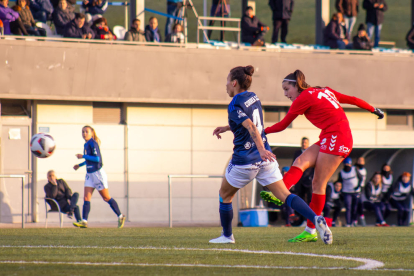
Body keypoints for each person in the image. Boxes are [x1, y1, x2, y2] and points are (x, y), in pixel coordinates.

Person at [209, 65, 332, 244]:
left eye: (227, 81)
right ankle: (315, 219)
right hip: (266, 159)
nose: (226, 85)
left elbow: (251, 126)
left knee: (224, 195)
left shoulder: (234, 104)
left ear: (234, 83)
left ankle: (227, 236)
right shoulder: (253, 97)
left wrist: (259, 149)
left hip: (245, 161)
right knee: (285, 195)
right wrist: (228, 127)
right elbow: (250, 122)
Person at [261, 69, 384, 242]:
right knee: (301, 160)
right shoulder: (323, 90)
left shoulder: (303, 98)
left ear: (297, 86)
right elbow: (353, 100)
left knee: (318, 184)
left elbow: (283, 125)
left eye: (287, 89)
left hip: (338, 136)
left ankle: (310, 229)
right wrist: (373, 109)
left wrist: (261, 132)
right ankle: (283, 193)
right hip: (330, 135)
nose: (285, 94)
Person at [73, 125, 126, 228]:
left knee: (106, 198)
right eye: (83, 132)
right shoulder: (86, 144)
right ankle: (84, 221)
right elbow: (89, 159)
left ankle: (120, 216)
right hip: (89, 174)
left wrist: (82, 156)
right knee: (86, 198)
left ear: (92, 133)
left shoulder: (93, 143)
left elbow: (97, 159)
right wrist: (79, 165)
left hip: (97, 173)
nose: (84, 133)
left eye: (86, 131)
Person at [337, 157, 363, 227]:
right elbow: (339, 182)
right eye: (346, 164)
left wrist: (358, 186)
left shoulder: (355, 170)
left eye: (348, 164)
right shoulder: (341, 172)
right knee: (348, 207)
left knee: (354, 208)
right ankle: (348, 223)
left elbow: (361, 178)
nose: (347, 165)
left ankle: (353, 221)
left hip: (355, 191)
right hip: (346, 192)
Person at [355, 156, 367, 226]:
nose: (360, 162)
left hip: (361, 188)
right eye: (359, 160)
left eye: (362, 161)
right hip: (355, 189)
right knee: (356, 205)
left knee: (361, 204)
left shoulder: (364, 170)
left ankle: (361, 218)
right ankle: (355, 220)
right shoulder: (355, 169)